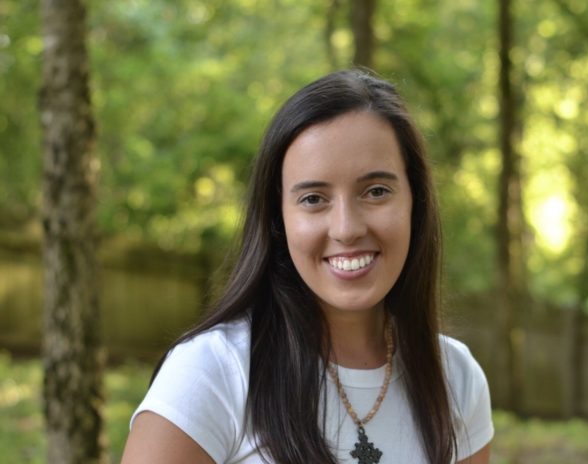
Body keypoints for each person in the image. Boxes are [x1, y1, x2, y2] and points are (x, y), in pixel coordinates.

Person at [121, 70, 494, 464]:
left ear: (414, 203)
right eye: (314, 198)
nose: (347, 229)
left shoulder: (456, 379)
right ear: (278, 218)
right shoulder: (214, 370)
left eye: (376, 191)